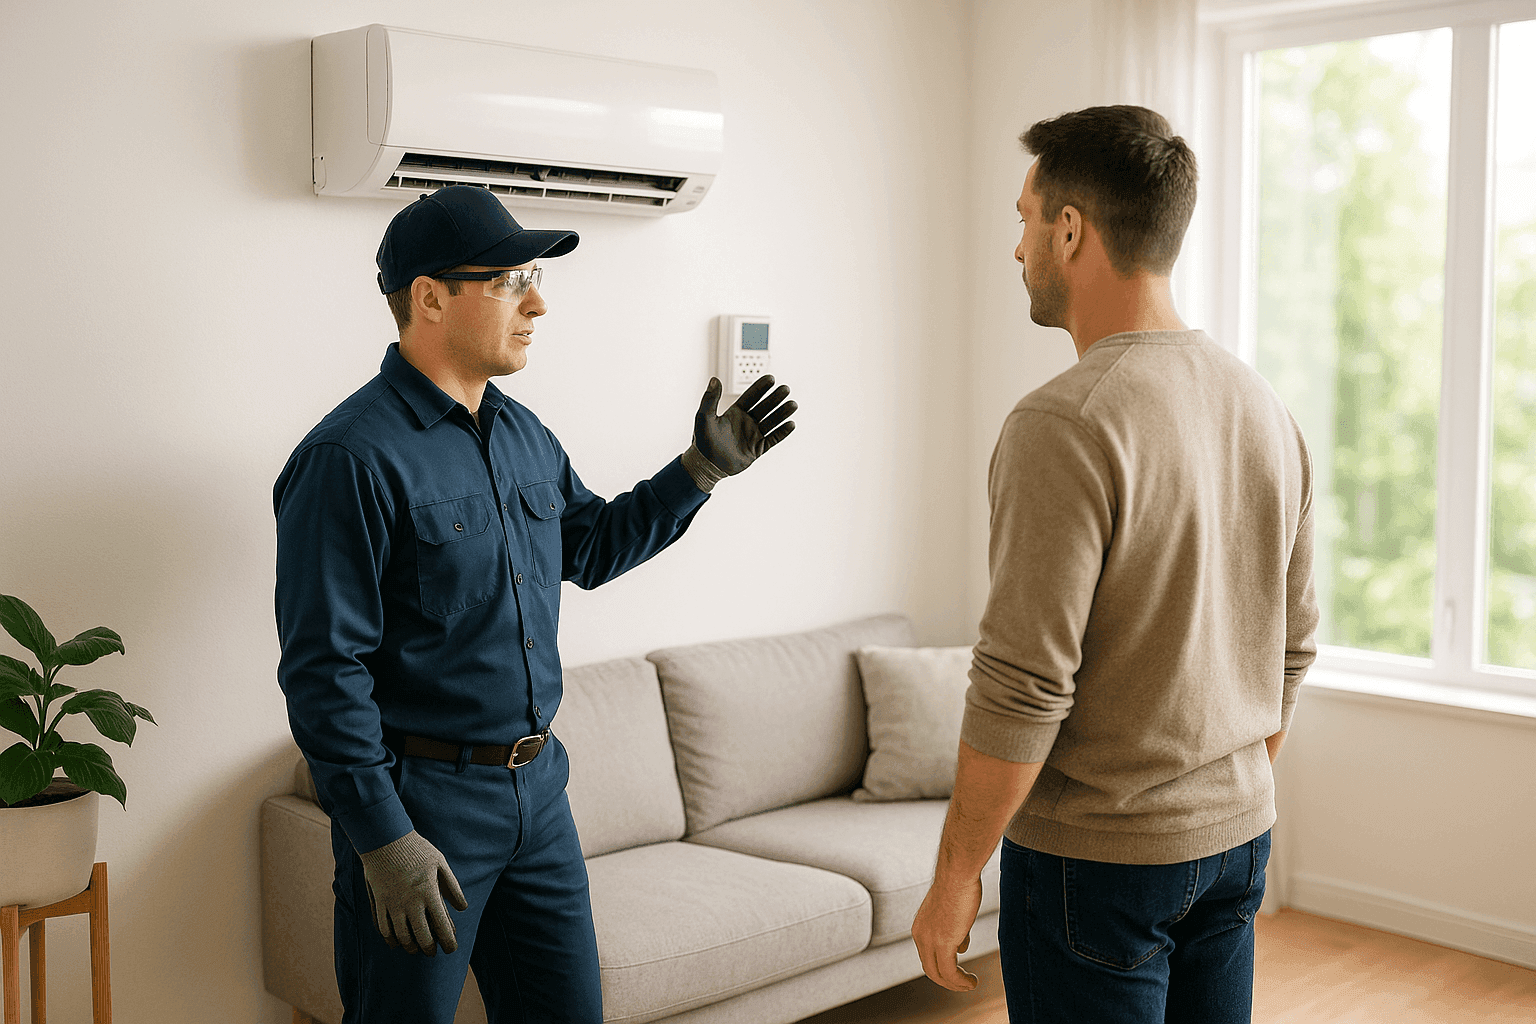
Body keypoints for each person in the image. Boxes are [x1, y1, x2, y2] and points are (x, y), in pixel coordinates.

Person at [273, 184, 796, 1023]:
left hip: (539, 798)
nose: (538, 304)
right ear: (430, 298)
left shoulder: (524, 435)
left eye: (534, 280)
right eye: (510, 281)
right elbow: (323, 671)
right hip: (424, 813)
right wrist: (383, 837)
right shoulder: (348, 459)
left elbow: (589, 547)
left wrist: (697, 471)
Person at [910, 106, 1318, 1023]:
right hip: (1238, 840)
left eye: (1025, 219)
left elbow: (1022, 684)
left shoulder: (1065, 420)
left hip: (1096, 866)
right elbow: (1293, 647)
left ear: (1070, 230)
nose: (1018, 247)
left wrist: (955, 875)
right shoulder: (1263, 406)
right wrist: (1215, 795)